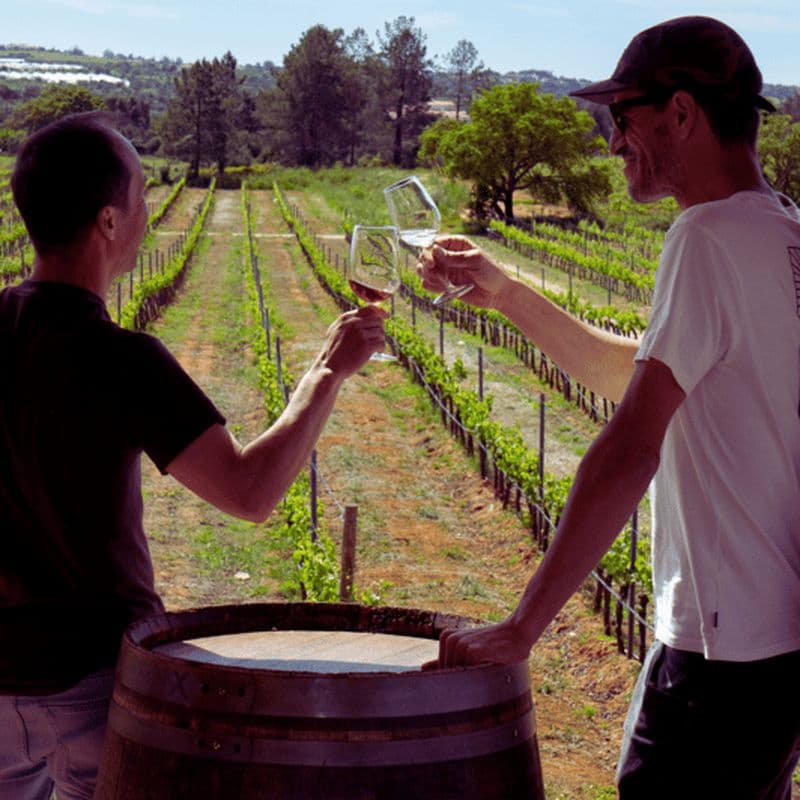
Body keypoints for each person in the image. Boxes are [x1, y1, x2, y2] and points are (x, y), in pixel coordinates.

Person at [420, 16, 800, 799]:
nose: (613, 143)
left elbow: (630, 446)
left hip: (717, 661)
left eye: (621, 118)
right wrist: (502, 290)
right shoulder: (782, 234)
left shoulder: (706, 238)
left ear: (683, 113)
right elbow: (620, 372)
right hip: (779, 662)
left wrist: (524, 626)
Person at [0, 112, 387, 800]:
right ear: (109, 223)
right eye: (143, 197)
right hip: (93, 682)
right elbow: (250, 490)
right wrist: (327, 373)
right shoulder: (121, 360)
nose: (150, 213)